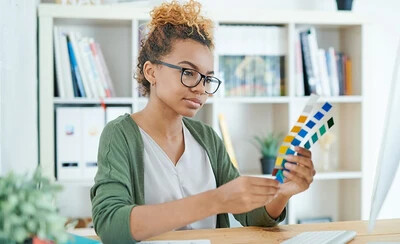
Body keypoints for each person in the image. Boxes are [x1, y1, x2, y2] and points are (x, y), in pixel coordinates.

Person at [90, 1, 316, 243]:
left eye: (207, 78)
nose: (200, 88)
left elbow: (251, 215)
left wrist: (283, 193)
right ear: (151, 72)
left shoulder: (206, 138)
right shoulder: (120, 136)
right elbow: (110, 225)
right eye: (188, 72)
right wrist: (215, 200)